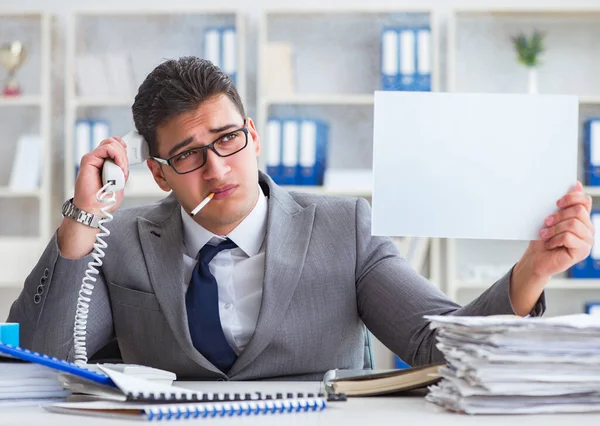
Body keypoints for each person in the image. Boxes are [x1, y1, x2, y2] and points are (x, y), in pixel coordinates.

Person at [8, 57, 594, 381]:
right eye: (187, 154)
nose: (216, 169)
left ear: (253, 137)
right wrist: (83, 218)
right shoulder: (125, 241)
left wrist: (531, 273)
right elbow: (49, 355)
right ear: (158, 173)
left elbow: (433, 345)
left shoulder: (345, 229)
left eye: (228, 139)